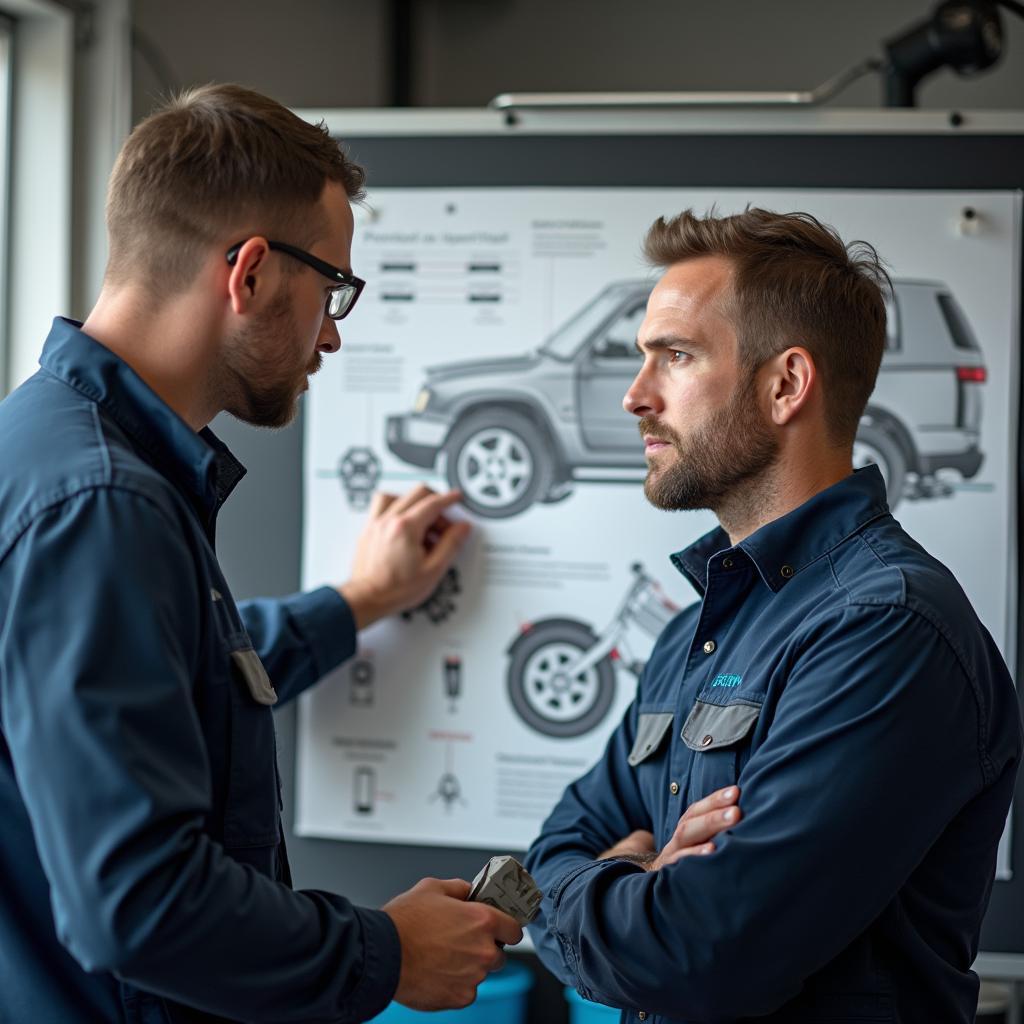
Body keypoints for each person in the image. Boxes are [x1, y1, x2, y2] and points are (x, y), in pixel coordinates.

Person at [0, 84, 521, 1024]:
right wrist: (385, 952)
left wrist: (360, 600)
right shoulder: (104, 505)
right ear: (247, 272)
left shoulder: (51, 447)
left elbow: (174, 687)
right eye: (332, 291)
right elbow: (136, 904)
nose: (329, 332)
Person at [524, 208, 1022, 1023]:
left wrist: (613, 885)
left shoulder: (888, 628)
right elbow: (544, 860)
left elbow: (697, 952)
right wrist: (633, 888)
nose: (635, 397)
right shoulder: (697, 633)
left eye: (675, 357)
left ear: (786, 384)